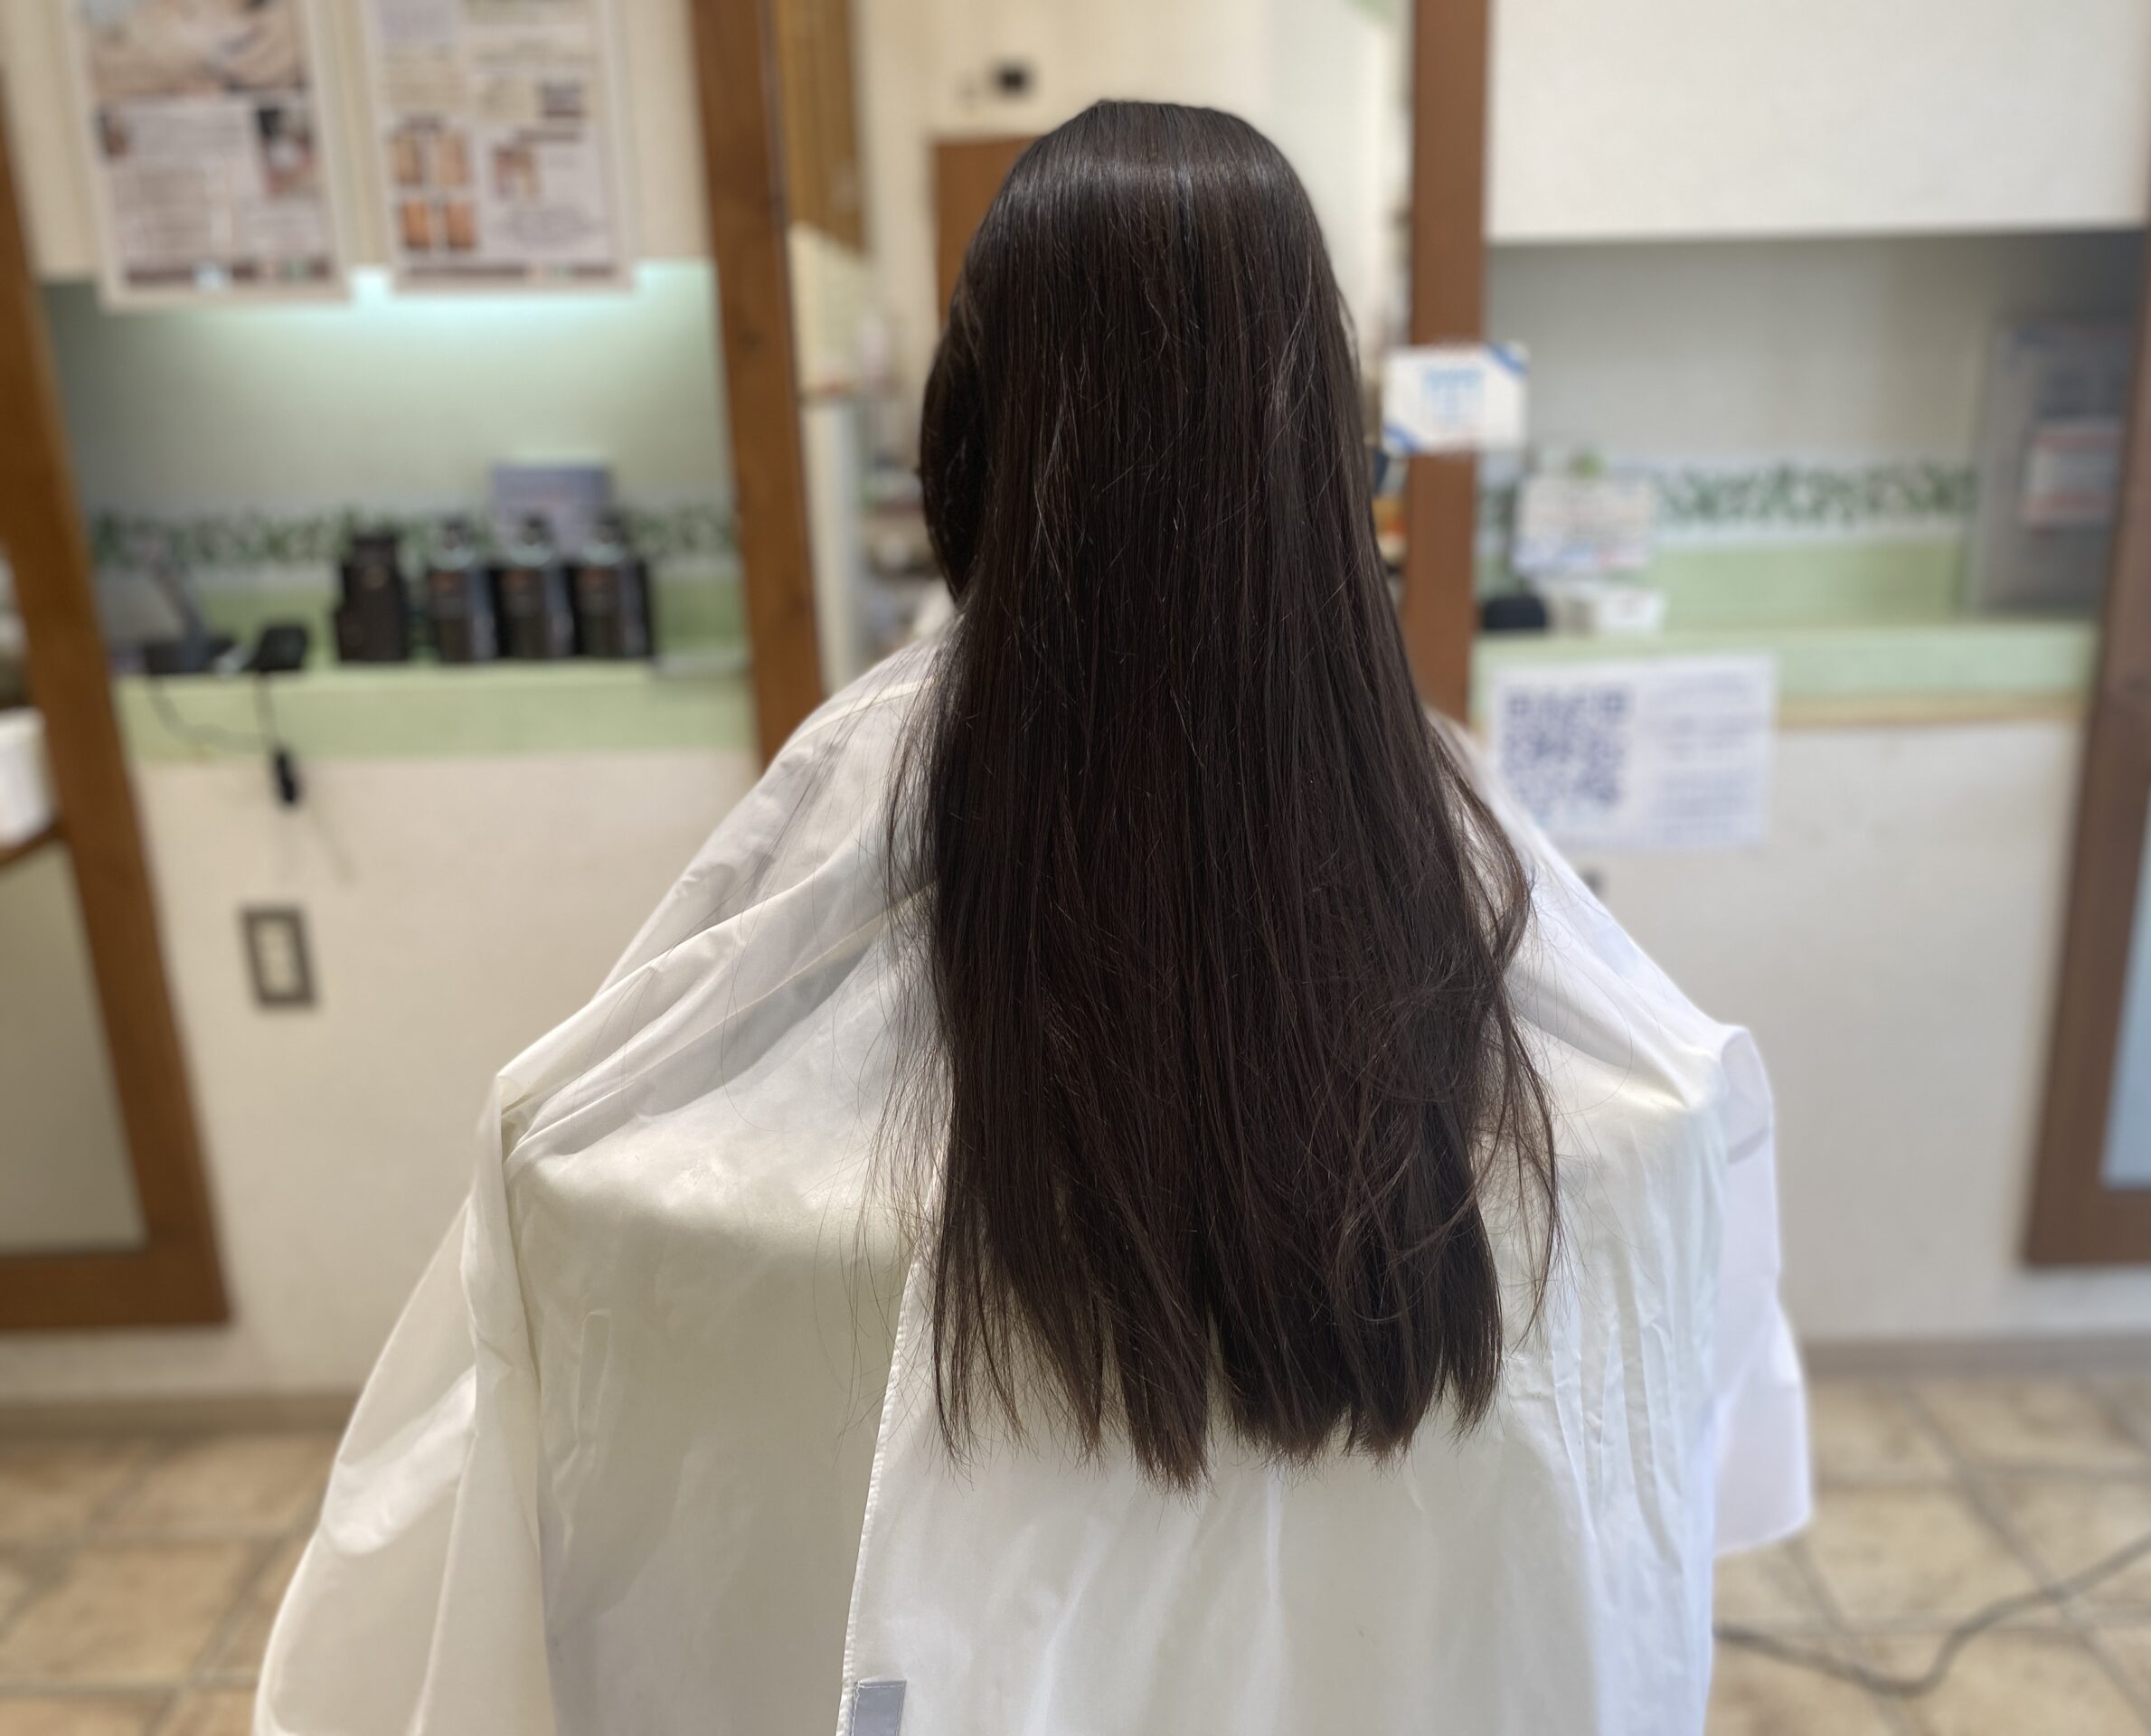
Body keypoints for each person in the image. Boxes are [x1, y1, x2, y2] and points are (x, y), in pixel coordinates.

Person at [257, 101, 1807, 1735]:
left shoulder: (756, 978)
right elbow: (1682, 1348)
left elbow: (552, 1247)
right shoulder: (1614, 1074)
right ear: (1331, 462)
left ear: (965, 436)